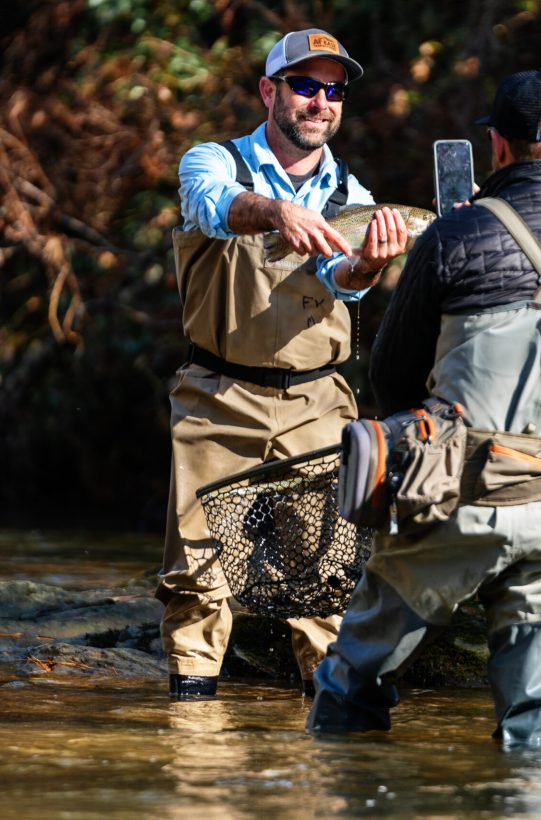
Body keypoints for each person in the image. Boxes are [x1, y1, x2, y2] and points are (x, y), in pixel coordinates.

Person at [306, 68, 541, 748]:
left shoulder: (453, 236)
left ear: (495, 145)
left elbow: (392, 377)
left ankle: (344, 787)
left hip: (459, 500)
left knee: (352, 684)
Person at [156, 27, 409, 701]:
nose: (320, 102)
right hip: (216, 397)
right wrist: (275, 212)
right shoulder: (213, 161)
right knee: (197, 573)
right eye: (305, 86)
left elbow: (344, 278)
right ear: (270, 91)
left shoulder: (353, 194)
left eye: (334, 91)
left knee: (325, 576)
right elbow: (212, 210)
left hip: (319, 402)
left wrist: (371, 265)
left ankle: (322, 752)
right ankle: (192, 725)